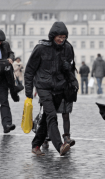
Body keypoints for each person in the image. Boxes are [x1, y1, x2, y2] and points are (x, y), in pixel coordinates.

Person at [25, 21, 77, 156]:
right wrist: (29, 93)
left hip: (59, 88)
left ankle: (35, 145)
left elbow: (69, 69)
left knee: (45, 119)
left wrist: (73, 82)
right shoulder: (41, 48)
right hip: (43, 87)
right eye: (59, 36)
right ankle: (60, 146)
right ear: (52, 35)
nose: (61, 39)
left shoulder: (68, 48)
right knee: (52, 116)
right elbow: (29, 71)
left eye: (64, 37)